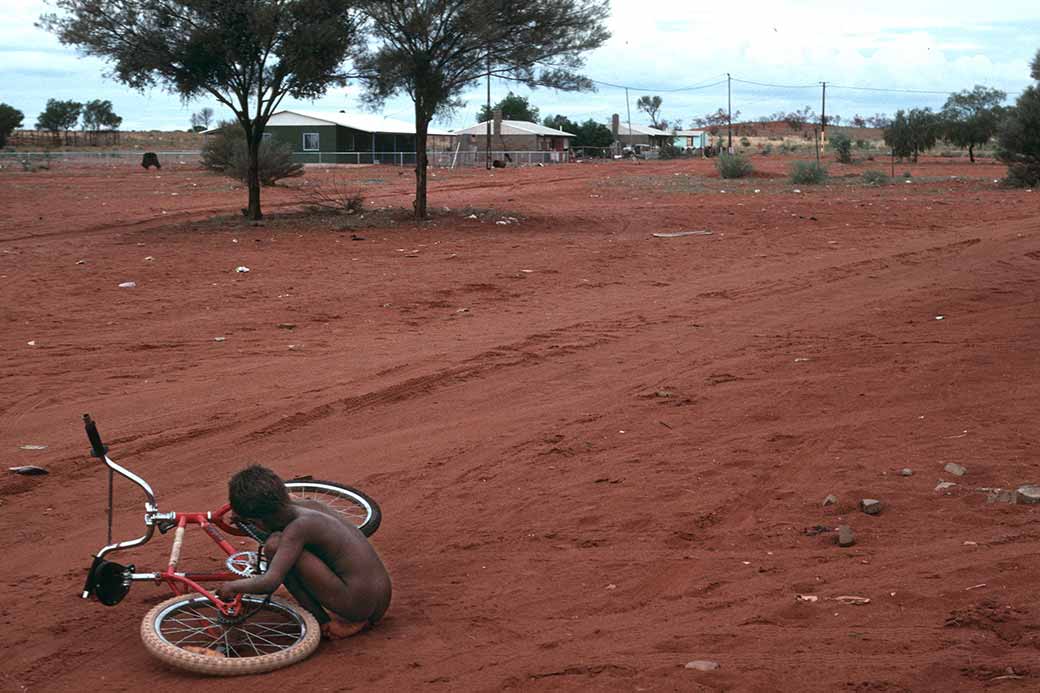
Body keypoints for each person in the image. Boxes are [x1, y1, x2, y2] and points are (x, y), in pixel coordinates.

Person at [217, 465, 392, 640]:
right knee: (283, 545)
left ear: (258, 520)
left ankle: (324, 623)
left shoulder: (299, 528)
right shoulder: (312, 506)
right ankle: (357, 619)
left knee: (274, 547)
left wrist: (231, 587)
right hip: (382, 598)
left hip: (358, 606)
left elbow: (270, 582)